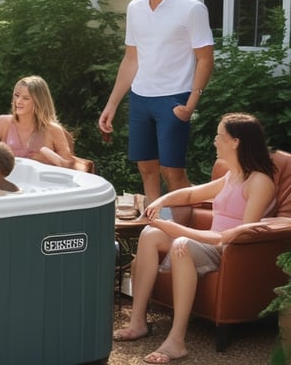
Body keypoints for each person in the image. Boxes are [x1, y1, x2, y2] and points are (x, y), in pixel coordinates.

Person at [112, 113, 276, 364]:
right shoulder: (232, 175)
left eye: (219, 136)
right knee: (150, 234)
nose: (214, 141)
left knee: (181, 243)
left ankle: (176, 341)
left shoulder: (259, 182)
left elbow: (237, 235)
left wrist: (180, 231)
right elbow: (190, 195)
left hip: (229, 251)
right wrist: (162, 200)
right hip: (207, 243)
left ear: (236, 142)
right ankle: (137, 322)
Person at [99, 0, 214, 205]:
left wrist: (191, 104)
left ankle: (192, 226)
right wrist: (112, 104)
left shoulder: (191, 9)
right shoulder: (135, 8)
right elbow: (131, 59)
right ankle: (156, 225)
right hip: (141, 98)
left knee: (173, 173)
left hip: (174, 98)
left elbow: (205, 59)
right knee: (147, 169)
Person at [0, 75, 73, 167]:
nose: (18, 101)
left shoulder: (52, 130)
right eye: (17, 96)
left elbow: (70, 166)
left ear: (39, 102)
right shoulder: (3, 122)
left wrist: (50, 158)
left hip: (38, 187)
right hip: (10, 181)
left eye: (25, 98)